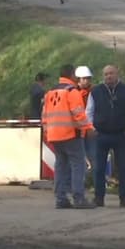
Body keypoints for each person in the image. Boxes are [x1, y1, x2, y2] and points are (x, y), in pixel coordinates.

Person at [42, 64, 94, 209]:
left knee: (60, 166)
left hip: (54, 135)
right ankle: (79, 198)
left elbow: (44, 116)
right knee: (78, 166)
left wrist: (48, 132)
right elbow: (78, 113)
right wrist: (88, 128)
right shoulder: (72, 91)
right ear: (72, 75)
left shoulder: (50, 92)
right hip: (71, 134)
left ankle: (61, 198)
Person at [86, 65, 125, 207]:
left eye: (111, 73)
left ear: (117, 73)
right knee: (99, 168)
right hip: (101, 135)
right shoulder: (95, 91)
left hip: (121, 134)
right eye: (106, 74)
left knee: (123, 168)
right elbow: (89, 112)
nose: (109, 76)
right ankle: (98, 198)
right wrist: (91, 128)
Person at [74, 66, 95, 171]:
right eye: (84, 78)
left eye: (88, 78)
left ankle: (92, 178)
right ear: (78, 79)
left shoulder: (94, 91)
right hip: (77, 130)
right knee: (80, 156)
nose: (87, 81)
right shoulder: (72, 92)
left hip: (90, 129)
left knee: (92, 154)